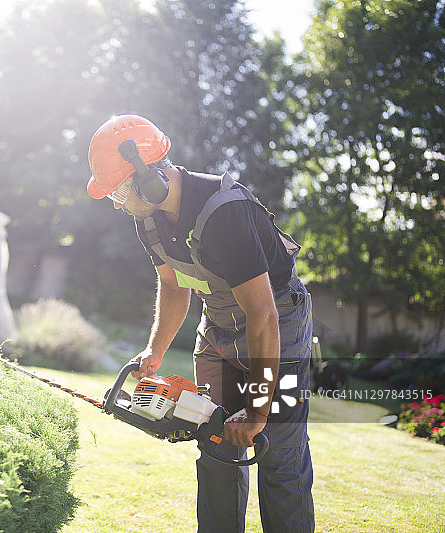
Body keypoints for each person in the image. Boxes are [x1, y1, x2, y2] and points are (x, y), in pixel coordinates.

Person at [86, 114, 314, 533]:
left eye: (118, 190)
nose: (116, 203)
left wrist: (257, 409)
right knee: (215, 442)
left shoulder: (225, 213)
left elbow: (262, 315)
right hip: (218, 323)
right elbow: (174, 286)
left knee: (277, 453)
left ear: (148, 177)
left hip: (277, 322)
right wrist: (154, 351)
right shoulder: (148, 217)